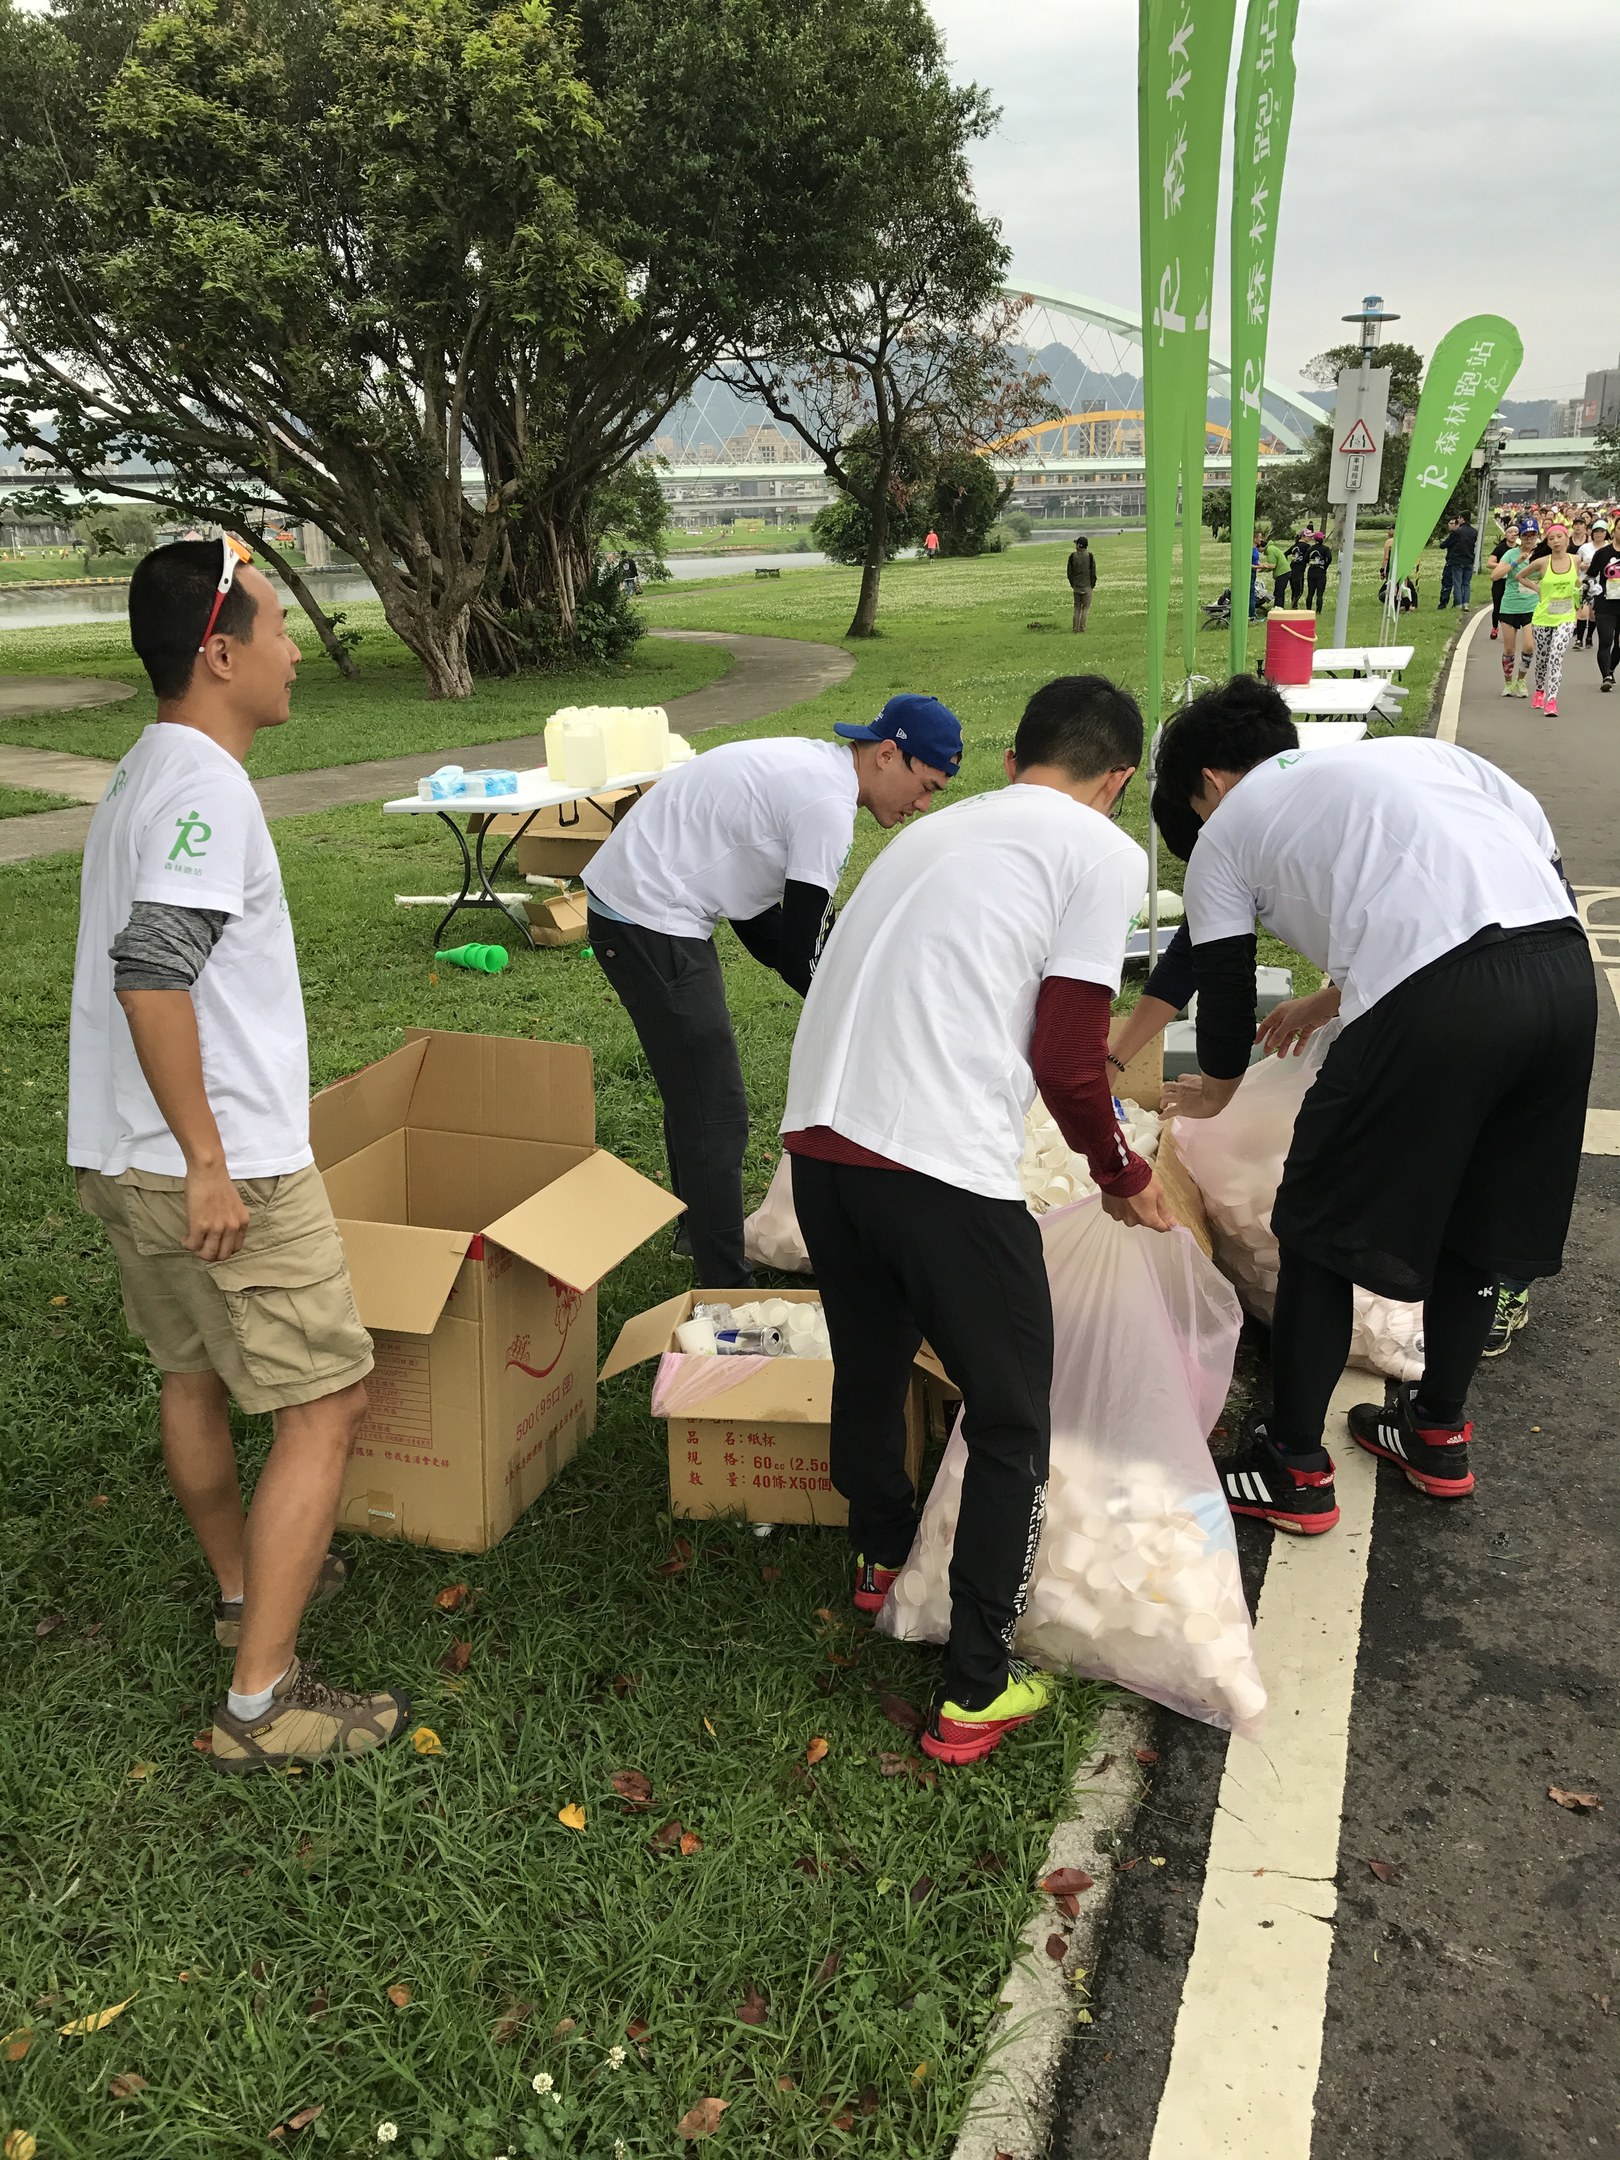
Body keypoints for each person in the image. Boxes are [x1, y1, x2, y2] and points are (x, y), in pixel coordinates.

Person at [781, 675, 1175, 1766]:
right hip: (937, 1166)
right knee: (1010, 1416)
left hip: (820, 1146)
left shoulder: (936, 833)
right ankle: (975, 1688)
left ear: (1011, 761)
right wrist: (1118, 1167)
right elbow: (1066, 1051)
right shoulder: (1101, 852)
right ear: (1119, 780)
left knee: (870, 1358)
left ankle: (877, 1559)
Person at [69, 538, 408, 1772]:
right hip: (218, 1172)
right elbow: (153, 970)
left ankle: (235, 1597)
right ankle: (260, 1705)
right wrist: (212, 1158)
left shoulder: (143, 772)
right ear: (218, 652)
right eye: (275, 627)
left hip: (120, 1155)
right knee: (327, 1404)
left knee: (194, 1375)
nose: (295, 650)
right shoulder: (206, 788)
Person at [1154, 677, 1594, 1536]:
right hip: (1563, 981)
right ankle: (1436, 1434)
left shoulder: (1227, 834)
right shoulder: (1420, 761)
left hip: (1435, 1003)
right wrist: (1333, 997)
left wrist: (1215, 1090)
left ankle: (1291, 1467)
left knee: (1318, 1231)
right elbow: (1514, 878)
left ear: (1207, 785)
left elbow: (1226, 992)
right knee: (1477, 1229)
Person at [584, 698, 962, 1286]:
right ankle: (725, 1282)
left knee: (696, 1087)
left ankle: (697, 1229)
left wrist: (840, 991)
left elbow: (765, 925)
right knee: (718, 1108)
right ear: (888, 754)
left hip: (644, 906)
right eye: (925, 786)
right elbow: (801, 945)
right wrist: (848, 1012)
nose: (922, 805)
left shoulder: (813, 772)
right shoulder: (826, 808)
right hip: (647, 916)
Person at [1517, 519, 1581, 715]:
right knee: (1543, 658)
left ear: (1567, 539)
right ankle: (1539, 690)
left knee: (1556, 655)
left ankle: (1552, 700)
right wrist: (1537, 589)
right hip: (1543, 618)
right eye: (1551, 538)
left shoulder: (1575, 560)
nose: (1556, 541)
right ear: (1548, 543)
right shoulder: (1542, 562)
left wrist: (1580, 599)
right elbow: (1520, 576)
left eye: (1559, 537)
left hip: (1566, 617)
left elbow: (1577, 582)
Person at [1491, 517, 1540, 697]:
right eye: (1525, 535)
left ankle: (1521, 679)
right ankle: (1508, 682)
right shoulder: (1511, 554)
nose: (1529, 538)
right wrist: (1515, 563)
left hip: (1532, 606)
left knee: (1528, 647)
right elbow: (1495, 576)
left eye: (1532, 535)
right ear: (1520, 536)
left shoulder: (1541, 555)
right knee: (1509, 649)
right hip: (1510, 605)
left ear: (1537, 536)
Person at [1587, 520, 1620, 690]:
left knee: (1619, 643)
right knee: (1606, 640)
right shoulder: (1602, 554)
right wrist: (1591, 591)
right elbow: (1590, 576)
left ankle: (1612, 668)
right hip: (1605, 604)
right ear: (1614, 531)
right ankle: (1606, 676)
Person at [1440, 514, 1479, 609]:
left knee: (1457, 582)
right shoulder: (1474, 532)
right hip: (1469, 559)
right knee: (1466, 583)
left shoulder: (1457, 532)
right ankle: (1466, 604)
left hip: (1457, 560)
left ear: (1462, 519)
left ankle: (1458, 604)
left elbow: (1445, 544)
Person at [1571, 517, 1596, 649]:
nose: (1598, 534)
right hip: (1584, 581)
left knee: (1593, 614)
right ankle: (1579, 640)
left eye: (1601, 532)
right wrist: (1581, 566)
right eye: (1596, 532)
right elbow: (1577, 562)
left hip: (1599, 584)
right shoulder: (1584, 548)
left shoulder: (1608, 547)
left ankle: (1589, 636)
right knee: (1582, 612)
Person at [1066, 534, 1097, 632]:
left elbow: (1069, 573)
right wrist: (1092, 585)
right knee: (1085, 608)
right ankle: (1082, 628)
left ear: (1079, 545)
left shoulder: (1072, 556)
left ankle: (1075, 628)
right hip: (1087, 586)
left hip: (1076, 587)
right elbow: (1093, 572)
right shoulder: (1090, 556)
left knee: (1077, 608)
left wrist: (1073, 584)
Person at [1304, 530, 1332, 614]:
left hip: (1311, 572)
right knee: (1319, 594)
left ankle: (1308, 610)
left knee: (1310, 593)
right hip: (1321, 573)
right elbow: (1329, 559)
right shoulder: (1325, 549)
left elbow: (1306, 559)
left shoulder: (1310, 548)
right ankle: (1318, 611)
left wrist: (1311, 563)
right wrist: (1325, 567)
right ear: (1322, 539)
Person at [1283, 530, 1312, 609]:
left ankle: (1294, 607)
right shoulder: (1307, 546)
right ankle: (1293, 605)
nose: (1310, 538)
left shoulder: (1295, 546)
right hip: (1299, 571)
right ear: (1303, 536)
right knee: (1299, 591)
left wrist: (1285, 564)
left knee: (1294, 590)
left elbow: (1285, 554)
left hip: (1291, 569)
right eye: (1308, 536)